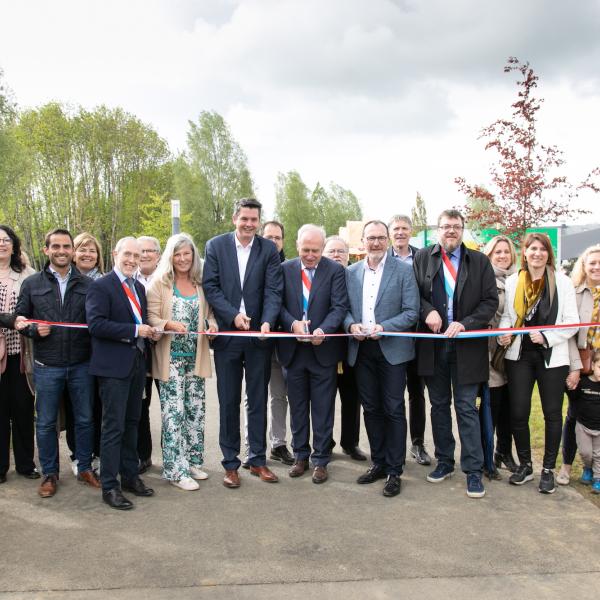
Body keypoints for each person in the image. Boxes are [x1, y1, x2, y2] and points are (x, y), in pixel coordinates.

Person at [413, 210, 498, 499]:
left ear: (463, 230)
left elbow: (490, 302)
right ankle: (445, 462)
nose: (451, 231)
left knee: (465, 407)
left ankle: (473, 471)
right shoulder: (423, 257)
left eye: (456, 226)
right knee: (438, 406)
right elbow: (415, 295)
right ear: (438, 229)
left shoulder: (479, 261)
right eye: (446, 226)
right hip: (434, 345)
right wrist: (429, 312)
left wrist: (466, 323)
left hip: (467, 346)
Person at [202, 198, 283, 488]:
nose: (249, 224)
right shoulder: (216, 246)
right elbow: (210, 286)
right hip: (228, 336)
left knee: (258, 399)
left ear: (259, 221)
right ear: (234, 218)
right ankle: (230, 464)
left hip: (259, 337)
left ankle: (258, 460)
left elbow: (274, 290)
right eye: (244, 218)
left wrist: (268, 321)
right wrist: (232, 315)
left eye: (254, 219)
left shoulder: (268, 250)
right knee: (228, 400)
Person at [16, 228, 99, 497]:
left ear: (72, 251)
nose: (62, 251)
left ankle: (85, 467)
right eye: (56, 246)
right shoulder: (32, 284)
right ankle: (50, 473)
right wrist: (31, 329)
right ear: (46, 250)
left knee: (85, 419)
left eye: (66, 246)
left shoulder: (89, 285)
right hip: (46, 365)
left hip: (81, 364)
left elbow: (98, 321)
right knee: (46, 422)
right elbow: (21, 318)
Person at [498, 232, 579, 494]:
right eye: (532, 248)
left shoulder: (563, 282)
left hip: (551, 357)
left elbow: (571, 322)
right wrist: (504, 333)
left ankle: (547, 470)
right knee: (519, 413)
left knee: (552, 413)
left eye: (542, 249)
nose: (537, 253)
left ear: (548, 254)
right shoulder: (513, 282)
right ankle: (525, 465)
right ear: (525, 252)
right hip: (519, 356)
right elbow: (508, 316)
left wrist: (546, 336)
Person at [345, 220, 419, 497]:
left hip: (392, 350)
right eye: (370, 238)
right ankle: (378, 462)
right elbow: (343, 309)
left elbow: (412, 312)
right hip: (361, 350)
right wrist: (350, 324)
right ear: (362, 242)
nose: (375, 243)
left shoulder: (404, 271)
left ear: (387, 240)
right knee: (371, 408)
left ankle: (395, 470)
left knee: (393, 408)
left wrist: (384, 327)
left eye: (380, 238)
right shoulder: (350, 272)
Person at [86, 237, 160, 510]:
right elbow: (96, 325)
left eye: (137, 256)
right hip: (113, 369)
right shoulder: (101, 286)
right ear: (115, 253)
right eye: (127, 254)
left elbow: (139, 323)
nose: (132, 260)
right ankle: (110, 486)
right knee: (113, 427)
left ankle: (130, 477)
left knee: (132, 423)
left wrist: (149, 331)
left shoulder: (139, 288)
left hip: (137, 364)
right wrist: (134, 331)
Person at [277, 225, 348, 484]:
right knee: (297, 408)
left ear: (322, 248)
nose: (310, 255)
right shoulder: (284, 269)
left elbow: (339, 307)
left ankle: (320, 460)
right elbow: (279, 305)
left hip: (323, 351)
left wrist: (324, 329)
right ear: (297, 246)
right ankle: (300, 456)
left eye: (315, 251)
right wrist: (292, 324)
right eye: (305, 250)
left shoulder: (335, 270)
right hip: (293, 352)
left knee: (322, 409)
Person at [147, 233, 217, 491]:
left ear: (194, 256)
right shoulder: (160, 284)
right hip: (171, 360)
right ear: (170, 257)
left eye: (187, 253)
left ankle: (191, 461)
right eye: (178, 254)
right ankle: (175, 470)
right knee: (173, 414)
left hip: (195, 359)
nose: (183, 258)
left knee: (195, 411)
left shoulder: (201, 284)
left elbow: (210, 315)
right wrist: (167, 324)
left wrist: (212, 326)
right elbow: (151, 317)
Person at [388, 215, 431, 466]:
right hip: (391, 338)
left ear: (411, 231)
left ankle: (417, 443)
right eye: (396, 229)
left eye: (405, 228)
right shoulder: (383, 258)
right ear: (390, 233)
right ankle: (391, 447)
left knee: (417, 394)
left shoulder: (422, 258)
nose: (401, 233)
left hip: (417, 338)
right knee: (391, 396)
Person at [557, 244, 600, 485]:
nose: (596, 267)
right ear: (583, 266)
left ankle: (595, 468)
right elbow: (569, 333)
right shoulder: (573, 292)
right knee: (575, 415)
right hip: (581, 362)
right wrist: (574, 367)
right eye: (592, 263)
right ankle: (566, 466)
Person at [64, 232, 105, 476]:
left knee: (98, 407)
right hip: (73, 356)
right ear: (73, 254)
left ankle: (98, 453)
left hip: (100, 356)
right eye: (82, 249)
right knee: (75, 408)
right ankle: (78, 454)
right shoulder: (65, 281)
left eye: (92, 250)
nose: (87, 254)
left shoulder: (106, 281)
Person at [323, 235, 366, 461]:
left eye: (341, 252)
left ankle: (350, 443)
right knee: (325, 400)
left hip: (352, 350)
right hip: (325, 350)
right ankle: (325, 443)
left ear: (348, 256)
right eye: (332, 252)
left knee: (352, 399)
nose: (337, 255)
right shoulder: (319, 277)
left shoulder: (356, 277)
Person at [0, 225, 37, 484]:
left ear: (13, 245)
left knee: (23, 409)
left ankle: (25, 464)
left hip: (21, 353)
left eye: (5, 240)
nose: (1, 244)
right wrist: (11, 320)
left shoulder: (27, 274)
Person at [482, 235, 518, 477]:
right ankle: (487, 457)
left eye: (506, 251)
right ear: (490, 255)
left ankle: (504, 452)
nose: (503, 255)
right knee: (492, 408)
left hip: (515, 355)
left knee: (511, 409)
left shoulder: (521, 280)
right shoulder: (484, 279)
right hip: (490, 355)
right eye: (498, 252)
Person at [136, 235, 162, 474]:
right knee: (141, 406)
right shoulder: (127, 280)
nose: (144, 255)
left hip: (165, 352)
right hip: (139, 355)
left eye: (149, 251)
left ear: (159, 255)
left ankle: (173, 456)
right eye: (140, 251)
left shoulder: (166, 279)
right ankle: (143, 456)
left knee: (169, 406)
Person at [572, 350, 600, 493]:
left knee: (598, 455)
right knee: (586, 453)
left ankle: (597, 478)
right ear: (594, 365)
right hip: (583, 425)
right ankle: (587, 468)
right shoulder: (584, 382)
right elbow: (573, 397)